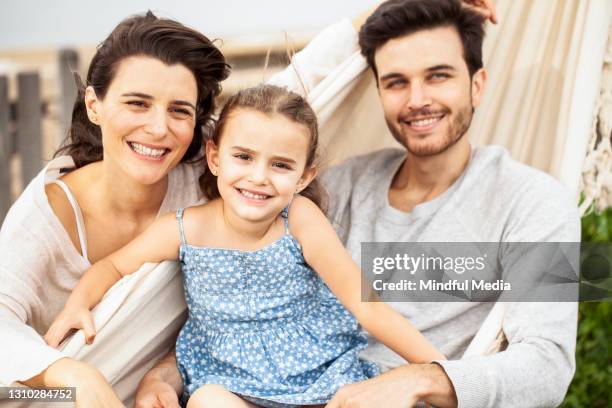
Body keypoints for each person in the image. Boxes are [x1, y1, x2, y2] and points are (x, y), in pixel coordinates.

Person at [138, 1, 580, 408]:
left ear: (477, 85)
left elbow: (550, 365)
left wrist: (421, 379)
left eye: (438, 75)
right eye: (396, 82)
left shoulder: (539, 203)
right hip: (288, 391)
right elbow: (256, 125)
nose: (417, 99)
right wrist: (165, 373)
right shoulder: (342, 186)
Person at [44, 84, 446, 408]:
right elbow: (113, 267)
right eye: (244, 157)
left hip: (323, 380)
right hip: (234, 386)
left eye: (281, 165)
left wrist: (444, 371)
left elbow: (367, 306)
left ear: (304, 176)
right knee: (206, 401)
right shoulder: (185, 229)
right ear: (216, 159)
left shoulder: (299, 219)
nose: (259, 177)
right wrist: (78, 303)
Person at [0, 11, 229, 407]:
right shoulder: (45, 218)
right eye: (138, 103)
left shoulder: (221, 178)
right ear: (94, 105)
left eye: (179, 110)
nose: (159, 128)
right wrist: (68, 373)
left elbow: (309, 86)